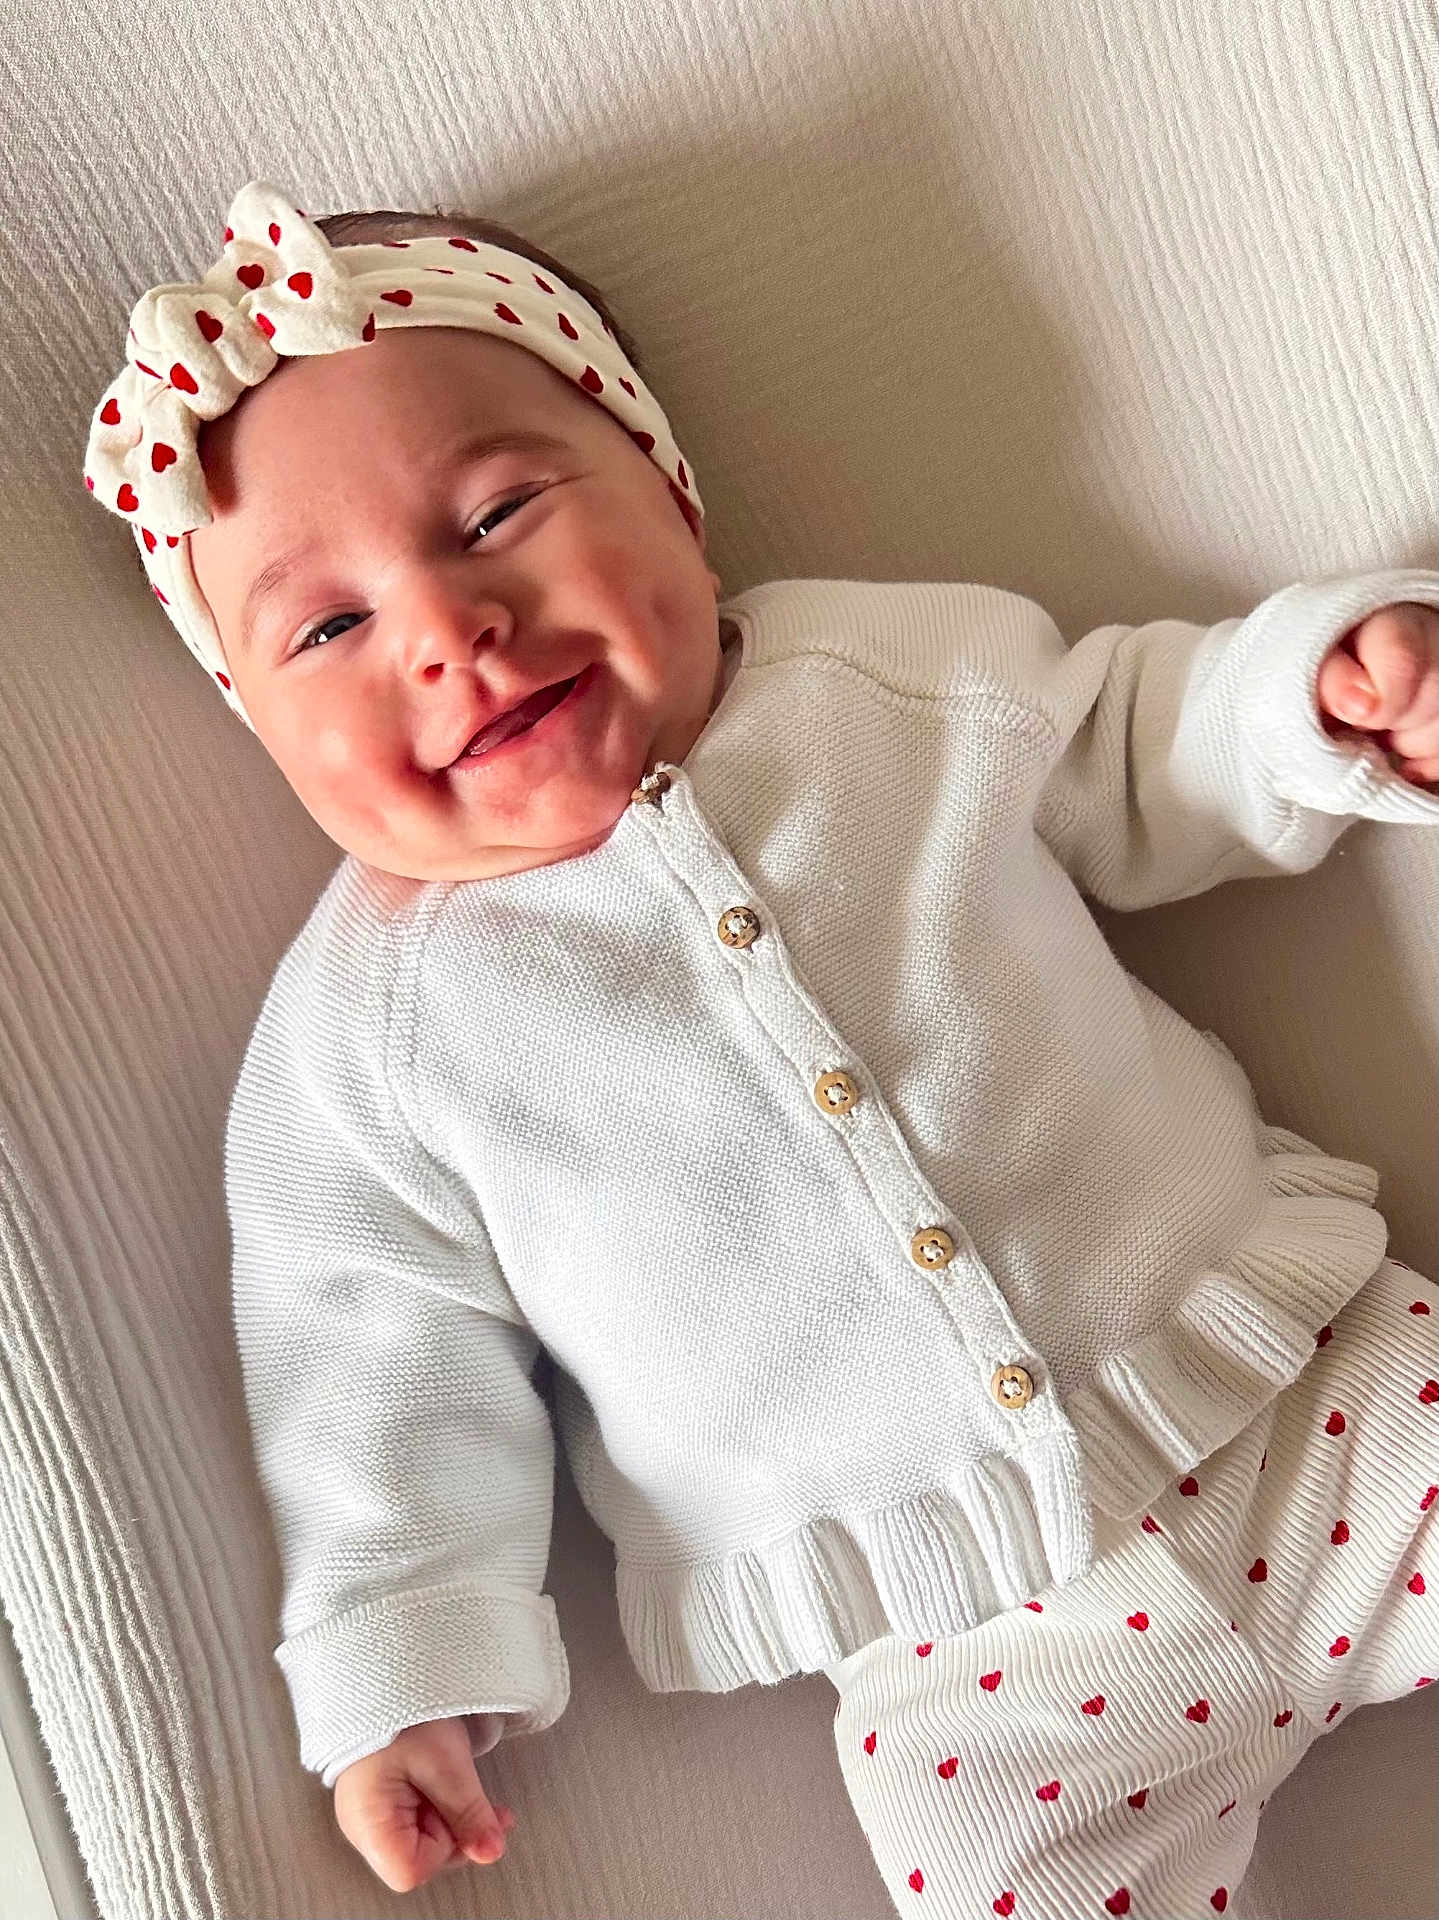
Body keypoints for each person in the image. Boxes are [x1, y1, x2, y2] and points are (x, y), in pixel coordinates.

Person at [84, 179, 1438, 1915]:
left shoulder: (870, 682)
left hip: (1316, 1401)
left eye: (497, 510)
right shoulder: (369, 1034)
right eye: (328, 630)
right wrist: (399, 1676)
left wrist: (1311, 696)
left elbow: (1125, 742)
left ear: (666, 489)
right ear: (257, 722)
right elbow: (363, 1365)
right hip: (972, 1666)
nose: (445, 628)